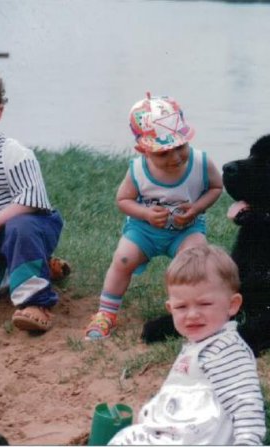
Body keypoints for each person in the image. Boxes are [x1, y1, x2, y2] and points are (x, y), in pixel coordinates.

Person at [84, 93, 223, 340]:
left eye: (180, 147)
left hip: (186, 229)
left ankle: (188, 312)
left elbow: (215, 187)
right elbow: (123, 200)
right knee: (124, 259)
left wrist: (197, 208)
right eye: (163, 153)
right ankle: (106, 312)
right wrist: (146, 214)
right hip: (144, 230)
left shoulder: (200, 162)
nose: (176, 157)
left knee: (194, 261)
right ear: (144, 150)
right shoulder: (137, 170)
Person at [108, 245, 266, 445]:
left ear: (232, 304)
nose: (192, 315)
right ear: (170, 309)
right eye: (181, 307)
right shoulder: (204, 342)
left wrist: (247, 442)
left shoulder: (226, 350)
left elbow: (246, 405)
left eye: (205, 304)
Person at [0, 67, 65, 332]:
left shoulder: (12, 153)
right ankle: (35, 267)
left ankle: (36, 303)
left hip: (23, 226)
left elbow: (33, 199)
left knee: (22, 226)